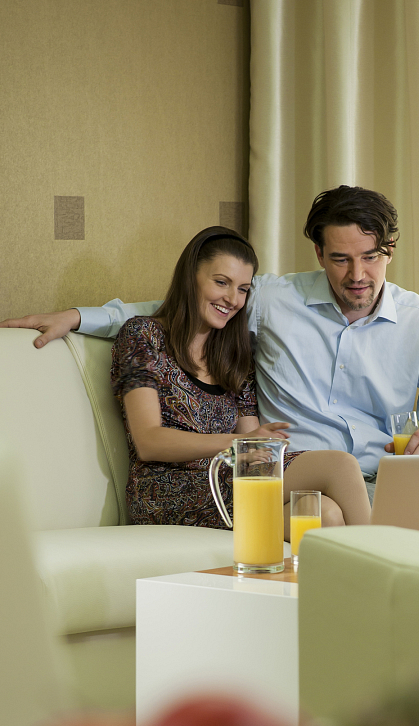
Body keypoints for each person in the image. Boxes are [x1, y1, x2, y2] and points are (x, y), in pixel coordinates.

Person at [0, 186, 419, 486]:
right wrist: (77, 317)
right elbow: (183, 308)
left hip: (389, 480)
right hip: (294, 475)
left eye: (370, 257)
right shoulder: (273, 301)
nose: (357, 274)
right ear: (319, 255)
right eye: (341, 259)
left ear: (389, 251)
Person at [106, 225, 370, 534]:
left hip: (231, 482)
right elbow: (148, 441)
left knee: (323, 513)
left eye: (243, 289)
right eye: (221, 282)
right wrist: (239, 443)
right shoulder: (143, 335)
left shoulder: (233, 356)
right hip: (166, 492)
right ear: (190, 277)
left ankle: (340, 565)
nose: (232, 299)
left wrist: (260, 444)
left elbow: (251, 443)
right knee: (340, 465)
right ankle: (383, 560)